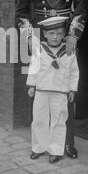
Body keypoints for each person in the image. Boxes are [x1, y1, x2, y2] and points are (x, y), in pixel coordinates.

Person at [16, 0, 88, 159]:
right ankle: (39, 144)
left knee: (65, 91)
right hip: (39, 40)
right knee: (37, 92)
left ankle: (66, 144)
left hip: (65, 38)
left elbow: (82, 7)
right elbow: (20, 12)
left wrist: (73, 35)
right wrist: (30, 38)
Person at [26, 16, 79, 163]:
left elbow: (74, 72)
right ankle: (38, 147)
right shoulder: (40, 50)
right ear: (45, 34)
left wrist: (72, 90)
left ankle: (55, 150)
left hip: (60, 92)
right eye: (51, 33)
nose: (55, 37)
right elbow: (34, 68)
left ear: (64, 35)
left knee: (59, 121)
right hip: (42, 90)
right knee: (39, 119)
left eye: (59, 33)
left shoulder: (69, 51)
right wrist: (31, 85)